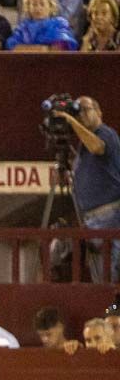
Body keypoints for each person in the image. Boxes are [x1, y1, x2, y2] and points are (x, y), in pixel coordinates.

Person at [58, 96, 120, 283]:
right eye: (77, 112)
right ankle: (109, 310)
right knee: (101, 279)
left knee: (110, 278)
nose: (81, 115)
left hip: (109, 215)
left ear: (99, 112)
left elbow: (97, 147)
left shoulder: (106, 133)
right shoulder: (82, 145)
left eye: (85, 109)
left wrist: (71, 121)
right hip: (92, 219)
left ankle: (114, 310)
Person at [5, 0, 78, 49]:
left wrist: (28, 49)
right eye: (34, 4)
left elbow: (61, 46)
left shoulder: (59, 24)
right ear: (28, 8)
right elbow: (12, 45)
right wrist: (41, 49)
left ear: (51, 7)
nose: (38, 8)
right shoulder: (22, 27)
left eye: (42, 4)